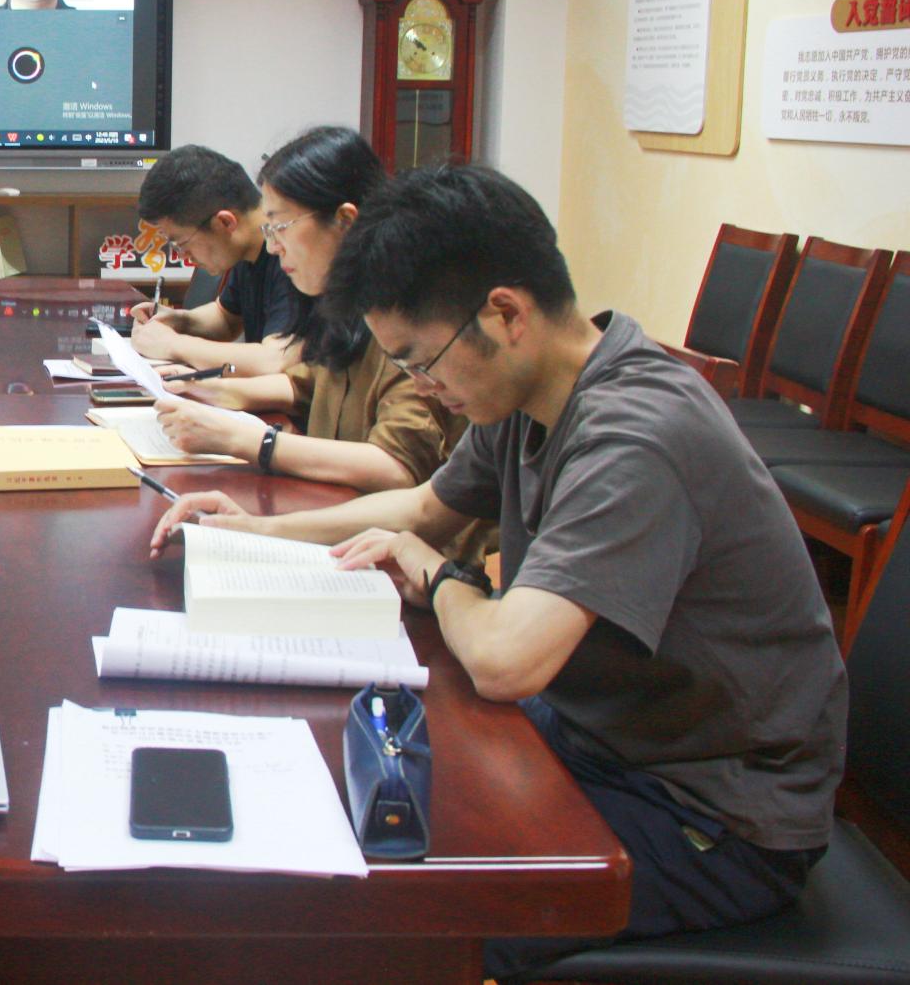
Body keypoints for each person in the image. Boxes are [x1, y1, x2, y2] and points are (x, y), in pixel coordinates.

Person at [146, 163, 846, 981]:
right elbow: (420, 508)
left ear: (506, 313)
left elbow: (506, 658)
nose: (423, 387)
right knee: (342, 789)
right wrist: (256, 531)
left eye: (420, 361)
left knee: (387, 917)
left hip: (712, 813)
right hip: (600, 734)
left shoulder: (637, 434)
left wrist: (442, 578)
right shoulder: (531, 390)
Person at [153, 127, 468, 500]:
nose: (273, 247)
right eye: (269, 229)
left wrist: (248, 440)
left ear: (345, 221)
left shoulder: (405, 314)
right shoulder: (339, 301)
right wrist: (207, 389)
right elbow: (306, 382)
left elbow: (398, 467)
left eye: (280, 227)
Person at [129, 144, 297, 378]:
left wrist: (172, 345)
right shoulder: (247, 248)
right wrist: (180, 320)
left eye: (181, 243)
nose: (182, 256)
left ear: (225, 223)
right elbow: (226, 319)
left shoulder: (291, 255)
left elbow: (275, 360)